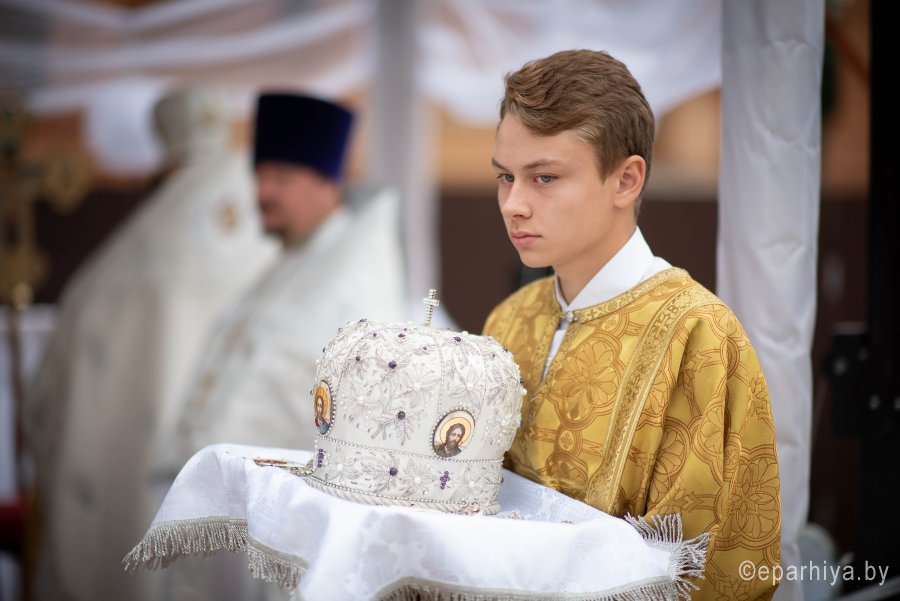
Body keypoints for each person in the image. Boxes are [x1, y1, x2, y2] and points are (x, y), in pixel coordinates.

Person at [482, 50, 781, 600]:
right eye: (506, 177)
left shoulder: (700, 338)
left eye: (544, 177)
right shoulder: (510, 320)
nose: (513, 204)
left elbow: (709, 569)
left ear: (625, 180)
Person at [24, 85, 278, 601]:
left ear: (165, 162)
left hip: (145, 466)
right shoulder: (271, 229)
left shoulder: (132, 256)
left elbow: (64, 370)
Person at [169, 91, 408, 473]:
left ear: (328, 184)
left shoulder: (356, 277)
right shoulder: (292, 259)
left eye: (281, 178)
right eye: (259, 177)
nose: (262, 193)